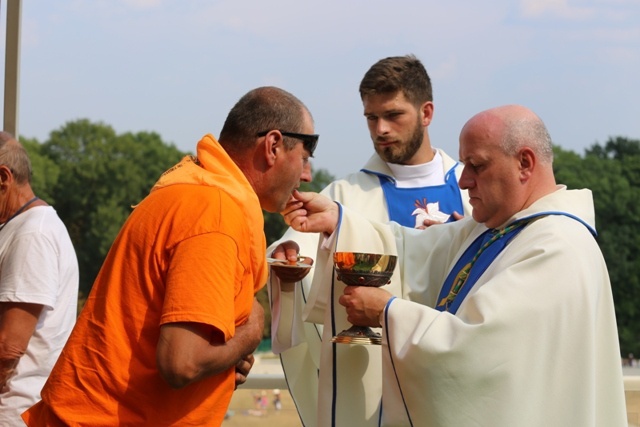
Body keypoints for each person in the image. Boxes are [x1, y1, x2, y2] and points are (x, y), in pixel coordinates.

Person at [279, 104, 628, 426]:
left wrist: (386, 312)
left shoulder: (557, 246)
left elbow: (479, 353)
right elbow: (409, 249)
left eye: (476, 166)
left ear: (525, 163)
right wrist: (339, 223)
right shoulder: (497, 229)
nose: (462, 181)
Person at [22, 86, 318, 426]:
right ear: (273, 145)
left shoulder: (193, 192)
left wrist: (224, 360)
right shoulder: (216, 212)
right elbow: (181, 363)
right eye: (306, 157)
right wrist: (251, 331)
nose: (307, 175)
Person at [268, 54, 471, 426]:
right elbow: (295, 251)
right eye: (371, 117)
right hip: (377, 388)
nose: (380, 129)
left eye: (393, 115)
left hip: (458, 376)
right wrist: (289, 258)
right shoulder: (344, 195)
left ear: (427, 113)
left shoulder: (473, 189)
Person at [0, 133, 79, 425]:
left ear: (3, 177)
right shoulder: (23, 226)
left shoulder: (33, 233)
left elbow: (9, 346)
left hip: (13, 413)